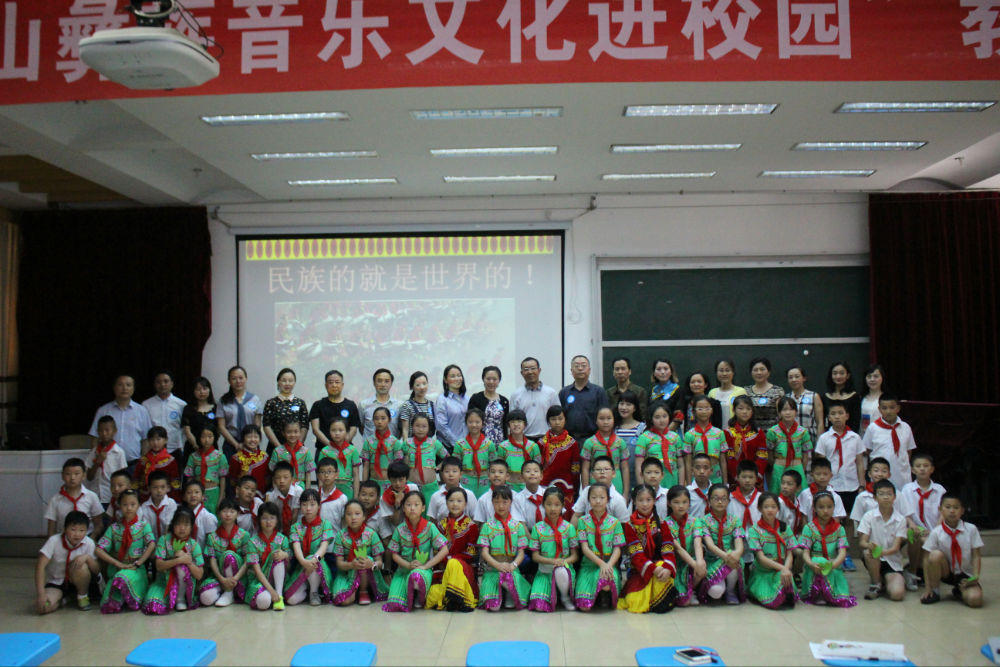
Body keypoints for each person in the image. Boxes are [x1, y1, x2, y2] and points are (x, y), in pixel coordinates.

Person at [382, 491, 450, 612]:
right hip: (403, 570)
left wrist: (426, 566)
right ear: (403, 508)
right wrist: (408, 565)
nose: (412, 508)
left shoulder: (430, 527)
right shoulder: (399, 529)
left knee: (416, 576)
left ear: (423, 508)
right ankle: (409, 593)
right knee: (394, 604)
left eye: (416, 505)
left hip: (423, 570)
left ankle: (418, 595)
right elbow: (394, 555)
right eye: (408, 505)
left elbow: (444, 550)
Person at [618, 484, 678, 614]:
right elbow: (636, 554)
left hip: (661, 567)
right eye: (640, 500)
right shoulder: (630, 526)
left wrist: (668, 567)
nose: (645, 504)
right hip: (640, 570)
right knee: (636, 603)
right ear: (634, 501)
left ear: (654, 501)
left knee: (662, 570)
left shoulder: (661, 523)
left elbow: (668, 547)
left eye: (648, 500)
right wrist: (653, 569)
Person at [95, 489, 155, 613]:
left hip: (136, 569)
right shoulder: (114, 528)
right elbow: (99, 550)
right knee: (107, 603)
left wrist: (139, 562)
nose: (129, 508)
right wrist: (117, 564)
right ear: (119, 506)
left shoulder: (143, 526)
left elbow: (152, 544)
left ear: (138, 505)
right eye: (125, 504)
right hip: (118, 568)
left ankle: (131, 596)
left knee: (122, 578)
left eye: (133, 504)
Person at [920, 493, 984, 607]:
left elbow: (976, 556)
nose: (952, 511)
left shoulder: (971, 529)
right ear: (940, 509)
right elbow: (926, 559)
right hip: (946, 572)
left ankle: (959, 590)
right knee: (934, 555)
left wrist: (975, 577)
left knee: (975, 601)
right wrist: (928, 588)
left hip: (965, 574)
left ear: (962, 510)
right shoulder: (936, 532)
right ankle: (935, 591)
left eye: (956, 507)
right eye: (948, 507)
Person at [425, 487, 480, 612]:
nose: (455, 504)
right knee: (433, 597)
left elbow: (471, 554)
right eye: (451, 501)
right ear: (446, 503)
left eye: (459, 501)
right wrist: (445, 561)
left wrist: (451, 559)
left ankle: (456, 599)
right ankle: (453, 598)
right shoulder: (440, 525)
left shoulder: (471, 526)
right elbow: (437, 550)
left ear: (465, 504)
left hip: (463, 568)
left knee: (454, 563)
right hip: (443, 567)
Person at [799, 491, 856, 607]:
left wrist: (832, 565)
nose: (825, 511)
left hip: (832, 564)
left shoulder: (839, 529)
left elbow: (842, 552)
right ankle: (818, 592)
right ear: (814, 509)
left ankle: (829, 592)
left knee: (841, 595)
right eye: (821, 507)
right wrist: (811, 564)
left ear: (834, 508)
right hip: (815, 566)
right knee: (819, 561)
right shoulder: (809, 528)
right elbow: (805, 552)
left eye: (829, 507)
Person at [142, 506, 204, 614]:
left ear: (191, 527)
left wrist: (188, 562)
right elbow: (159, 566)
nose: (182, 528)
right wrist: (179, 560)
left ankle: (180, 599)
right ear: (173, 524)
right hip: (163, 583)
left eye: (186, 525)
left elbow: (199, 575)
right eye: (179, 524)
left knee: (182, 567)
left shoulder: (194, 545)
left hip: (186, 587)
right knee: (153, 605)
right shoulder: (164, 540)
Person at [478, 486, 530, 610]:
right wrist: (498, 565)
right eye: (497, 502)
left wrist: (513, 565)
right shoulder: (487, 526)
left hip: (511, 569)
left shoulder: (518, 526)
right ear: (492, 503)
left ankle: (510, 594)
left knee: (509, 580)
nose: (501, 506)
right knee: (493, 607)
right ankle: (497, 591)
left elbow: (521, 553)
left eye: (504, 502)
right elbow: (484, 553)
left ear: (511, 502)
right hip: (493, 569)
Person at [36, 511, 99, 614]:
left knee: (81, 566)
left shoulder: (89, 543)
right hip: (56, 582)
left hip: (79, 582)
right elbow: (40, 566)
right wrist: (41, 594)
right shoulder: (54, 541)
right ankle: (65, 599)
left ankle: (82, 597)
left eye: (81, 530)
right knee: (44, 607)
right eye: (73, 530)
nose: (77, 534)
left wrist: (87, 558)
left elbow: (97, 570)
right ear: (65, 529)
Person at [574, 483, 625, 611]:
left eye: (602, 497)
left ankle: (604, 595)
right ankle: (594, 595)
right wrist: (601, 564)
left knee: (606, 579)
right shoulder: (582, 521)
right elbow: (585, 548)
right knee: (584, 607)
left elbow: (617, 549)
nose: (598, 501)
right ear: (588, 500)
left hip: (609, 564)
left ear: (608, 499)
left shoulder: (615, 523)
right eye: (594, 497)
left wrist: (608, 565)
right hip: (589, 565)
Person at [527, 486, 579, 612]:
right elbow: (535, 556)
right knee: (539, 606)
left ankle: (565, 597)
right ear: (543, 505)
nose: (553, 508)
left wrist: (563, 562)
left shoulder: (569, 528)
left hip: (564, 569)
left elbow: (575, 555)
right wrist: (553, 561)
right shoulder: (537, 528)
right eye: (549, 504)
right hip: (544, 571)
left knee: (560, 571)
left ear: (562, 506)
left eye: (557, 505)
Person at [745, 492, 797, 609]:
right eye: (766, 507)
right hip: (763, 572)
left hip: (781, 571)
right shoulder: (754, 530)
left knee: (784, 583)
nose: (770, 510)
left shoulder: (785, 528)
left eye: (773, 507)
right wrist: (783, 568)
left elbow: (790, 553)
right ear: (759, 508)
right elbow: (761, 558)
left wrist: (785, 569)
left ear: (778, 509)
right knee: (770, 600)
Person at [332, 499, 389, 606]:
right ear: (345, 517)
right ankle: (353, 590)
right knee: (344, 600)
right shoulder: (340, 535)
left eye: (357, 514)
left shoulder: (372, 534)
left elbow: (380, 563)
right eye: (349, 514)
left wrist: (372, 564)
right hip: (346, 574)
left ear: (364, 516)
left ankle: (363, 591)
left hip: (368, 575)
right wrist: (351, 565)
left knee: (364, 559)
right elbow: (339, 564)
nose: (353, 517)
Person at [858, 479, 908, 601]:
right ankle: (876, 584)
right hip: (874, 558)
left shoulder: (901, 520)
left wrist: (880, 552)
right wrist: (870, 546)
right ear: (875, 498)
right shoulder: (869, 516)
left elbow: (895, 548)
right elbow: (862, 542)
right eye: (881, 494)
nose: (886, 497)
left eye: (889, 494)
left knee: (897, 594)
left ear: (894, 497)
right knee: (868, 553)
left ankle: (886, 580)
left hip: (892, 561)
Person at [284, 489, 335, 606]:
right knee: (291, 599)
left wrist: (314, 559)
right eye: (304, 504)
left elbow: (324, 547)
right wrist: (303, 562)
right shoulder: (295, 527)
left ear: (318, 506)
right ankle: (306, 586)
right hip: (302, 565)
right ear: (300, 506)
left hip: (318, 564)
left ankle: (314, 591)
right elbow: (296, 547)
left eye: (312, 504)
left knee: (313, 560)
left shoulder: (325, 524)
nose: (308, 508)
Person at [198, 498, 252, 607]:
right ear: (219, 513)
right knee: (205, 598)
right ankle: (223, 589)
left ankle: (229, 592)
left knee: (229, 555)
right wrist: (222, 579)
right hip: (220, 577)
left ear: (238, 514)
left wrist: (235, 578)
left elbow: (247, 561)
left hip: (239, 578)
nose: (228, 515)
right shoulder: (212, 537)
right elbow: (212, 560)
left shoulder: (244, 535)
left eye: (232, 511)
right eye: (225, 511)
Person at [697, 484, 745, 604]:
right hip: (712, 561)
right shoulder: (703, 521)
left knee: (735, 560)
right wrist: (726, 557)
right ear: (709, 500)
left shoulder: (735, 520)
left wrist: (736, 554)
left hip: (731, 559)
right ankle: (719, 587)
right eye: (716, 498)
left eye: (723, 499)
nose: (720, 502)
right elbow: (710, 545)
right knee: (716, 592)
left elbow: (739, 543)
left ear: (728, 501)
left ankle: (730, 591)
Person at [89, 374, 153, 464]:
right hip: (108, 464)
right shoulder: (103, 410)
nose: (124, 388)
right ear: (114, 388)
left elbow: (145, 439)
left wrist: (143, 462)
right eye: (120, 385)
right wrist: (96, 459)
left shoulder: (142, 411)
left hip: (133, 463)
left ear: (133, 388)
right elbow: (94, 437)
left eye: (128, 385)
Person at [863, 393, 916, 492]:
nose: (888, 411)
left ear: (898, 408)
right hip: (880, 475)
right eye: (884, 408)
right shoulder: (872, 428)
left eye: (892, 408)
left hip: (902, 475)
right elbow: (867, 450)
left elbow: (909, 451)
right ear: (879, 409)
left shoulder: (905, 427)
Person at [243, 501, 290, 611]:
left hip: (278, 581)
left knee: (278, 555)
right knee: (263, 602)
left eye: (272, 518)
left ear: (277, 520)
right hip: (259, 581)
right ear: (259, 520)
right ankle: (273, 595)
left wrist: (285, 555)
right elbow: (257, 570)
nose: (268, 522)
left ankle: (279, 596)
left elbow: (288, 566)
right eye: (264, 518)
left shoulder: (283, 539)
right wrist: (271, 591)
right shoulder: (252, 542)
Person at [665, 485, 705, 607]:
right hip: (676, 563)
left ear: (689, 503)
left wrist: (699, 563)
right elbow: (678, 549)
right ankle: (684, 590)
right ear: (669, 503)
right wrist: (695, 565)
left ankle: (692, 591)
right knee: (683, 602)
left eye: (684, 502)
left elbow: (697, 543)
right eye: (676, 502)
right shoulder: (666, 524)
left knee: (702, 565)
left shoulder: (695, 521)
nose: (681, 506)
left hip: (692, 559)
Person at [46, 458, 103, 536]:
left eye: (77, 474)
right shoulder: (55, 500)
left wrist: (92, 539)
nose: (72, 477)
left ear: (84, 475)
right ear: (62, 476)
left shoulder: (92, 497)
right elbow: (51, 528)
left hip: (86, 537)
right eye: (68, 474)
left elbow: (99, 525)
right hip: (63, 538)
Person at [766, 396, 812, 493]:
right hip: (779, 468)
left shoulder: (803, 432)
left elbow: (805, 456)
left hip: (797, 468)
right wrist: (777, 465)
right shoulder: (772, 431)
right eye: (784, 410)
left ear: (796, 412)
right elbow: (770, 455)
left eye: (791, 409)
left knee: (799, 496)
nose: (788, 412)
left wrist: (800, 468)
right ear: (779, 413)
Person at [538, 405, 581, 511]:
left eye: (560, 419)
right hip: (545, 486)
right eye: (553, 419)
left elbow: (575, 469)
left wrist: (575, 488)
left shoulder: (572, 443)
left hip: (567, 487)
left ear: (565, 420)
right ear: (548, 421)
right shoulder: (541, 443)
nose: (557, 422)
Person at [559, 355, 609, 444]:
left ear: (589, 370)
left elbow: (605, 417)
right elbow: (559, 416)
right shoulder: (564, 392)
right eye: (577, 366)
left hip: (593, 439)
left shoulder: (599, 392)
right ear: (571, 371)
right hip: (568, 440)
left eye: (583, 365)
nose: (580, 368)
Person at [509, 357, 561, 441]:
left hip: (547, 439)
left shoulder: (551, 393)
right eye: (526, 369)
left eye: (533, 368)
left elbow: (557, 416)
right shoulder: (515, 395)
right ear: (522, 373)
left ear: (539, 370)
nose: (530, 372)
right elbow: (512, 420)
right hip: (524, 439)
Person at [217, 365, 263, 459]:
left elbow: (257, 424)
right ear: (229, 381)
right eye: (234, 378)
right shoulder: (223, 401)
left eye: (241, 378)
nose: (238, 381)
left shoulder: (254, 399)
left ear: (246, 378)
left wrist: (250, 441)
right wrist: (236, 444)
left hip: (251, 443)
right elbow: (221, 426)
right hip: (231, 444)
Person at [634, 403, 684, 489]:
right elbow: (639, 466)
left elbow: (681, 465)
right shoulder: (644, 438)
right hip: (651, 480)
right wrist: (642, 488)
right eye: (657, 417)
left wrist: (681, 487)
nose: (661, 420)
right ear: (651, 419)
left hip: (672, 479)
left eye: (664, 416)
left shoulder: (675, 437)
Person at [581, 406, 630, 494]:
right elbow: (585, 468)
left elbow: (625, 468)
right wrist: (586, 491)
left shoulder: (620, 442)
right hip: (596, 480)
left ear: (613, 420)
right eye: (602, 418)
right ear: (596, 421)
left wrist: (626, 492)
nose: (605, 422)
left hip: (616, 481)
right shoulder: (589, 443)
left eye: (609, 418)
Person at [142, 370, 187, 464]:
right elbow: (144, 430)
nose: (162, 385)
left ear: (172, 384)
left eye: (166, 381)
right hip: (152, 451)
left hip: (174, 450)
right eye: (158, 382)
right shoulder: (146, 405)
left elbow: (184, 429)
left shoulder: (181, 404)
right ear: (154, 384)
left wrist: (181, 446)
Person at [309, 370, 361, 449]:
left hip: (346, 450)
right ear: (326, 385)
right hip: (323, 450)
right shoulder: (318, 405)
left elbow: (353, 429)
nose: (334, 385)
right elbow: (315, 429)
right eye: (330, 382)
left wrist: (342, 445)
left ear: (342, 385)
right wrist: (330, 446)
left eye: (337, 382)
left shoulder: (351, 405)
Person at [682, 395, 728, 485]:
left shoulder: (719, 433)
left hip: (716, 474)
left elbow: (723, 460)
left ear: (712, 410)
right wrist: (689, 485)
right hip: (697, 474)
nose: (704, 411)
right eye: (700, 409)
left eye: (707, 408)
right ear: (694, 411)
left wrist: (725, 483)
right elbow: (688, 462)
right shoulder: (689, 435)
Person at [723, 395, 767, 488]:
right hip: (734, 479)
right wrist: (738, 477)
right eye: (741, 408)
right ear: (734, 410)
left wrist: (754, 477)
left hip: (755, 480)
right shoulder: (727, 433)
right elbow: (729, 458)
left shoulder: (758, 433)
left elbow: (762, 457)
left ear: (752, 411)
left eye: (748, 409)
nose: (745, 412)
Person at [402, 414, 445, 504]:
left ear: (429, 428)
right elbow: (398, 459)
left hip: (430, 487)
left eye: (424, 426)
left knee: (430, 510)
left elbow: (447, 457)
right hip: (412, 486)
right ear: (412, 426)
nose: (420, 429)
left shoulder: (434, 443)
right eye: (417, 426)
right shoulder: (407, 443)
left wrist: (439, 466)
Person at [85, 416, 127, 508]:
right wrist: (97, 463)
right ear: (97, 432)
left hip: (111, 496)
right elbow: (89, 477)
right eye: (101, 431)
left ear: (114, 431)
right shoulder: (94, 452)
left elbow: (122, 478)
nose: (104, 434)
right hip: (95, 496)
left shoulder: (118, 452)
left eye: (107, 430)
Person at [262, 368, 309, 450]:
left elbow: (304, 426)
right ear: (278, 382)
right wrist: (279, 448)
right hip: (276, 447)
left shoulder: (300, 403)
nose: (287, 383)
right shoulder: (271, 403)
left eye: (290, 381)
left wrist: (297, 446)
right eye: (284, 380)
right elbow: (267, 426)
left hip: (297, 448)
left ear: (294, 383)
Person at [572, 456, 629, 523]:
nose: (602, 472)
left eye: (606, 469)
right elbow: (577, 515)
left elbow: (624, 523)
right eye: (598, 469)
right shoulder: (586, 492)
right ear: (592, 475)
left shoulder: (618, 499)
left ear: (613, 474)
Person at [184, 423, 226, 512]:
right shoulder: (193, 456)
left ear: (215, 437)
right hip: (196, 494)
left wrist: (221, 498)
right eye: (203, 437)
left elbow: (222, 479)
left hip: (214, 492)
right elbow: (189, 478)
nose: (206, 440)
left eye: (210, 436)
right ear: (199, 438)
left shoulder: (220, 456)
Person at [495, 410, 540, 492]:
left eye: (519, 421)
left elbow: (538, 469)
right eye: (512, 422)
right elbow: (499, 468)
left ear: (525, 424)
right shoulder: (503, 447)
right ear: (508, 425)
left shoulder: (533, 446)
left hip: (528, 487)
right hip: (508, 488)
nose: (516, 424)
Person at [133, 425, 181, 502]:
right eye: (152, 440)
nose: (155, 443)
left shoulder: (170, 461)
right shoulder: (143, 460)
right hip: (145, 498)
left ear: (165, 440)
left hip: (166, 498)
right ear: (148, 441)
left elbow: (175, 483)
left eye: (158, 439)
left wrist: (175, 500)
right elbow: (136, 480)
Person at [315, 418, 361, 498]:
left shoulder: (352, 450)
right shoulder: (325, 451)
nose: (337, 433)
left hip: (348, 489)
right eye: (333, 430)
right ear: (329, 432)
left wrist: (356, 496)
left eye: (340, 430)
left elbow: (356, 475)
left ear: (347, 432)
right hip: (329, 488)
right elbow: (320, 474)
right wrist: (321, 493)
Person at [454, 408, 493, 497]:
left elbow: (493, 464)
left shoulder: (489, 444)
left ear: (483, 423)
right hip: (466, 480)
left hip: (484, 481)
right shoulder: (460, 444)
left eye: (477, 422)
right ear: (466, 423)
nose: (474, 425)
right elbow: (456, 464)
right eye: (470, 422)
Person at [427, 457, 478, 523]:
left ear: (461, 474)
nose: (451, 474)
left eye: (454, 471)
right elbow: (433, 520)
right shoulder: (436, 496)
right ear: (441, 474)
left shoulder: (469, 495)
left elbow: (475, 518)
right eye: (447, 471)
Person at [363, 406, 402, 493]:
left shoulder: (395, 442)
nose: (379, 422)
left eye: (383, 418)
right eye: (376, 419)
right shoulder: (368, 442)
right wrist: (364, 485)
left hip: (390, 484)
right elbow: (365, 467)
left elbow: (398, 467)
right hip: (373, 483)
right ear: (373, 421)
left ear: (389, 420)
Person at [469, 366, 510, 444]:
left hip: (500, 441)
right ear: (483, 379)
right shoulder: (476, 399)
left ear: (499, 380)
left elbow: (505, 423)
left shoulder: (504, 401)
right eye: (488, 379)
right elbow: (470, 421)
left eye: (494, 379)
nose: (491, 382)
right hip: (480, 442)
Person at [269, 420, 315, 490]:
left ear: (300, 432)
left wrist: (307, 491)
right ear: (283, 433)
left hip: (300, 487)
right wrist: (276, 490)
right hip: (282, 487)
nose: (292, 435)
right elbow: (273, 473)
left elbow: (308, 474)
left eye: (296, 432)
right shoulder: (277, 452)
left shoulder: (305, 452)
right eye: (289, 432)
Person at [435, 364, 470, 451]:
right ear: (445, 380)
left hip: (467, 445)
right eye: (453, 376)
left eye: (459, 375)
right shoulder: (442, 400)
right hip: (448, 447)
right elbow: (441, 426)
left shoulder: (467, 399)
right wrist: (456, 443)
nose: (457, 378)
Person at [744, 358, 785, 432]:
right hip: (751, 434)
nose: (759, 373)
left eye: (762, 369)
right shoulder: (746, 391)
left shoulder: (778, 391)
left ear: (768, 372)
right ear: (751, 373)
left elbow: (782, 415)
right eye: (755, 370)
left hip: (772, 434)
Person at [378, 461, 419, 533]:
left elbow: (418, 511)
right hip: (396, 532)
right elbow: (395, 522)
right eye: (394, 480)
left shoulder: (413, 488)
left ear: (406, 478)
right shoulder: (384, 498)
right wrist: (397, 503)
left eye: (401, 480)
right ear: (389, 479)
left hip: (415, 528)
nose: (397, 484)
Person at [786, 365, 824, 444]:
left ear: (804, 378)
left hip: (810, 440)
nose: (794, 380)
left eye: (797, 376)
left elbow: (820, 422)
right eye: (790, 377)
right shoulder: (785, 398)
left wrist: (820, 444)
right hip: (790, 441)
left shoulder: (814, 396)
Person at [182, 376, 217, 460]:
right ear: (193, 391)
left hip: (211, 447)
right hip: (192, 448)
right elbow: (187, 430)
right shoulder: (188, 409)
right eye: (198, 389)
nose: (202, 392)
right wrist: (195, 446)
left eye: (205, 388)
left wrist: (209, 444)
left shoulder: (215, 408)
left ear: (209, 390)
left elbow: (218, 429)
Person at [362, 368, 402, 441]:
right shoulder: (364, 405)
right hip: (371, 447)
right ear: (374, 383)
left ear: (391, 384)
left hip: (392, 447)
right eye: (379, 381)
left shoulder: (399, 405)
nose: (383, 384)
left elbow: (401, 429)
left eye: (386, 381)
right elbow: (361, 427)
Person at [228, 424, 269, 494]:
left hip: (261, 494)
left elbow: (268, 478)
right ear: (243, 439)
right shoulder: (236, 458)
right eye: (249, 437)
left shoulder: (265, 456)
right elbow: (232, 480)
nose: (252, 440)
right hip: (242, 495)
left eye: (256, 437)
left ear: (260, 439)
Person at [824, 361, 862, 434]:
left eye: (841, 373)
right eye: (835, 373)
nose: (838, 376)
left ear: (848, 375)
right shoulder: (825, 397)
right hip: (829, 436)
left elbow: (856, 422)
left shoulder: (854, 396)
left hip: (849, 436)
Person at [139, 470, 177, 541]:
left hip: (167, 541)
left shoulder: (171, 504)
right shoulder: (144, 507)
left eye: (163, 487)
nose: (159, 490)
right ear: (149, 488)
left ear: (168, 488)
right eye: (155, 487)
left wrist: (162, 544)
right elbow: (146, 529)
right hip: (150, 542)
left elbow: (169, 526)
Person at [512, 460, 548, 534]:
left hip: (549, 532)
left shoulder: (549, 494)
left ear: (541, 476)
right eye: (528, 471)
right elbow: (521, 524)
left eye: (536, 471)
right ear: (522, 477)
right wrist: (531, 539)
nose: (532, 473)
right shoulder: (517, 499)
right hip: (527, 534)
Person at [709, 358, 746, 429]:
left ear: (733, 372)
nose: (724, 374)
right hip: (715, 433)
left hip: (735, 432)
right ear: (716, 373)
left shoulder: (741, 391)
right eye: (721, 370)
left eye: (727, 370)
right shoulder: (712, 393)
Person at [472, 460, 513, 524]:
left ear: (507, 476)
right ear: (488, 475)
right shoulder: (483, 499)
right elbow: (480, 523)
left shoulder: (515, 496)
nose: (496, 475)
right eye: (493, 472)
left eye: (501, 472)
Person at [398, 371, 436, 440]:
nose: (422, 387)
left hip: (428, 444)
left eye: (424, 384)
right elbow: (405, 430)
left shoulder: (432, 405)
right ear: (412, 387)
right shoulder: (407, 405)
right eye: (418, 385)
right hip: (412, 444)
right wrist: (406, 445)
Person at [266, 462, 302, 534]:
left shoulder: (298, 491)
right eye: (278, 478)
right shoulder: (272, 496)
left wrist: (292, 533)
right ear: (273, 480)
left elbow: (295, 515)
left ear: (292, 479)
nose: (281, 481)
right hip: (280, 529)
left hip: (298, 529)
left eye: (285, 477)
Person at [728, 461, 762, 532]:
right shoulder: (730, 498)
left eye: (751, 477)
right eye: (744, 477)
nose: (747, 480)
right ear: (737, 478)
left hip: (758, 537)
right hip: (735, 537)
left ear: (756, 479)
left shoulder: (761, 499)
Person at [183, 480, 218, 549]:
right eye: (189, 492)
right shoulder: (181, 515)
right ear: (184, 497)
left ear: (203, 497)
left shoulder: (208, 517)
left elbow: (211, 542)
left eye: (197, 492)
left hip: (202, 553)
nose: (193, 495)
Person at [614, 390, 645, 466]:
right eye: (621, 404)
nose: (624, 407)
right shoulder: (613, 428)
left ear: (635, 408)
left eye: (628, 404)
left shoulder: (642, 428)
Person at [316, 458, 348, 532]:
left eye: (330, 472)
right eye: (322, 472)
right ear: (318, 475)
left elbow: (345, 522)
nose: (326, 475)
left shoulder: (342, 498)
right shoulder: (315, 496)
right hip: (317, 537)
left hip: (335, 537)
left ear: (336, 474)